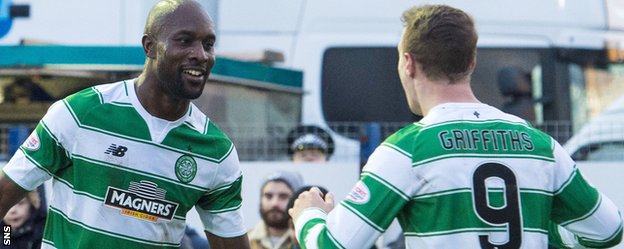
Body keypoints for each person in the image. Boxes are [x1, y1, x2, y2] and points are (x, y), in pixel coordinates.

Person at [289, 4, 623, 249]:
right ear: (471, 62)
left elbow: (332, 246)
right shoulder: (541, 145)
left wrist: (309, 215)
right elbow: (608, 231)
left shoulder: (407, 149)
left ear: (408, 63)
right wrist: (538, 231)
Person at [0, 1, 251, 248]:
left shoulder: (216, 151)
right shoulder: (80, 113)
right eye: (185, 41)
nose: (201, 55)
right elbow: (5, 195)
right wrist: (7, 242)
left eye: (208, 45)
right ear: (149, 46)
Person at [248, 170, 303, 249]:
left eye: (283, 196)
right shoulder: (244, 241)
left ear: (296, 200)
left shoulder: (307, 241)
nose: (274, 203)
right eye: (268, 196)